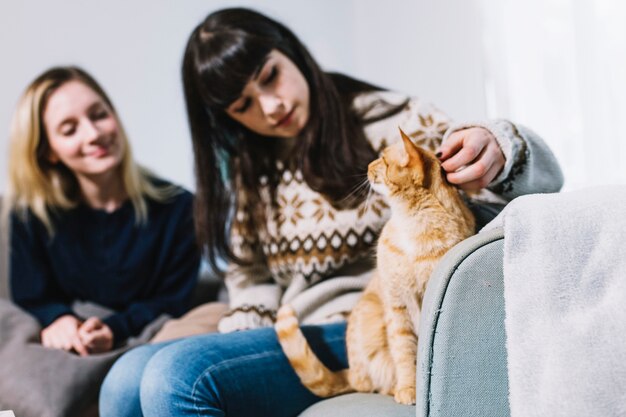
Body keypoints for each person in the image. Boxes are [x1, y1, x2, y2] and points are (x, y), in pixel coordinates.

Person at [99, 7, 563, 416]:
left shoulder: (393, 122)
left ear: (291, 52)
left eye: (270, 76)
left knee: (174, 378)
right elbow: (250, 275)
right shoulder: (249, 167)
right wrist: (238, 335)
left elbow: (526, 191)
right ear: (227, 120)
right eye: (244, 106)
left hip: (373, 326)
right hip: (294, 328)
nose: (272, 105)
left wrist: (500, 146)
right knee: (123, 380)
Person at [3, 66, 200, 355]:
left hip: (145, 344)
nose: (93, 134)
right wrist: (59, 318)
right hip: (65, 353)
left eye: (99, 115)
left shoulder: (181, 208)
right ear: (49, 152)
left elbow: (173, 300)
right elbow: (31, 297)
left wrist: (115, 328)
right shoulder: (29, 216)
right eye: (69, 130)